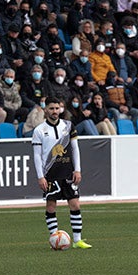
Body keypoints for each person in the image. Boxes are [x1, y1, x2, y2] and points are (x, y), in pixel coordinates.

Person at [32, 97, 91, 249]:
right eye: (51, 108)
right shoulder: (39, 130)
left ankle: (77, 241)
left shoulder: (69, 126)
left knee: (75, 205)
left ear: (61, 109)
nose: (54, 111)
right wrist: (40, 177)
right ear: (46, 110)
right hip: (50, 173)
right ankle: (55, 239)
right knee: (51, 207)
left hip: (68, 172)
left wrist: (77, 169)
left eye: (57, 108)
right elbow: (37, 155)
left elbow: (75, 148)